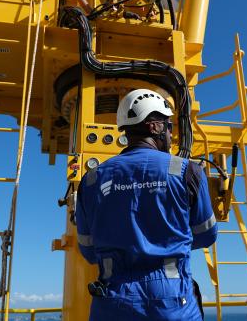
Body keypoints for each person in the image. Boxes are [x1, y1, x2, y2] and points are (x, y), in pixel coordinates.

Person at [75, 89, 217, 320]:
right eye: (169, 126)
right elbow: (206, 235)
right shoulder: (187, 171)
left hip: (112, 302)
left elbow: (89, 250)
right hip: (172, 302)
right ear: (155, 127)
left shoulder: (91, 180)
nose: (171, 134)